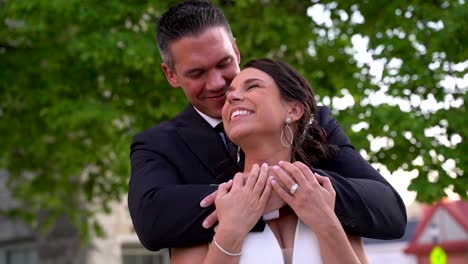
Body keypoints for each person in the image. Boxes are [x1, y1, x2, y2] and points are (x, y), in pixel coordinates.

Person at [128, 0, 406, 251]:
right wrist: (270, 194)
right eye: (197, 73)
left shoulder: (313, 123)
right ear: (171, 75)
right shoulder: (158, 145)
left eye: (224, 63)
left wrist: (309, 192)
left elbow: (390, 211)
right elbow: (152, 222)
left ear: (235, 51)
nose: (217, 84)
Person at [171, 58, 370, 263]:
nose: (230, 97)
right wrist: (230, 232)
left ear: (293, 110)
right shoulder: (212, 210)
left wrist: (326, 223)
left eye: (253, 86)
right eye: (229, 94)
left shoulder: (326, 200)